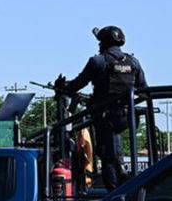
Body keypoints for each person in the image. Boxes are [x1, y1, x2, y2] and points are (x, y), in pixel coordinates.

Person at [57, 25, 147, 191]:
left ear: (104, 42)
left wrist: (62, 87)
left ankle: (114, 193)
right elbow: (144, 91)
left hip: (105, 118)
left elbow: (76, 84)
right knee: (114, 153)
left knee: (108, 157)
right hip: (125, 117)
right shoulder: (133, 62)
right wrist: (124, 103)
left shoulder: (98, 61)